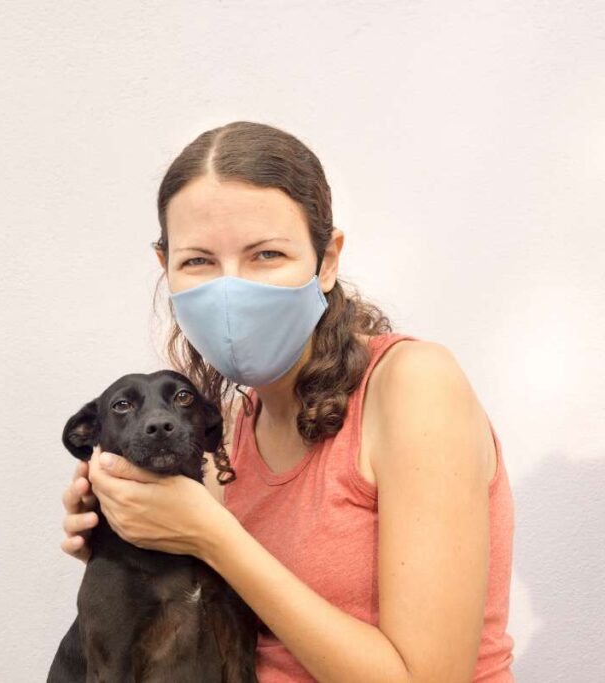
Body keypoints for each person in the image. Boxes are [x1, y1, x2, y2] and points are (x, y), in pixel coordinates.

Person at [59, 121, 515, 682]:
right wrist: (135, 549)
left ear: (326, 260)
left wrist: (210, 534)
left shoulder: (413, 385)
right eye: (199, 261)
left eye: (266, 254)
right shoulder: (224, 433)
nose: (231, 288)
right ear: (166, 269)